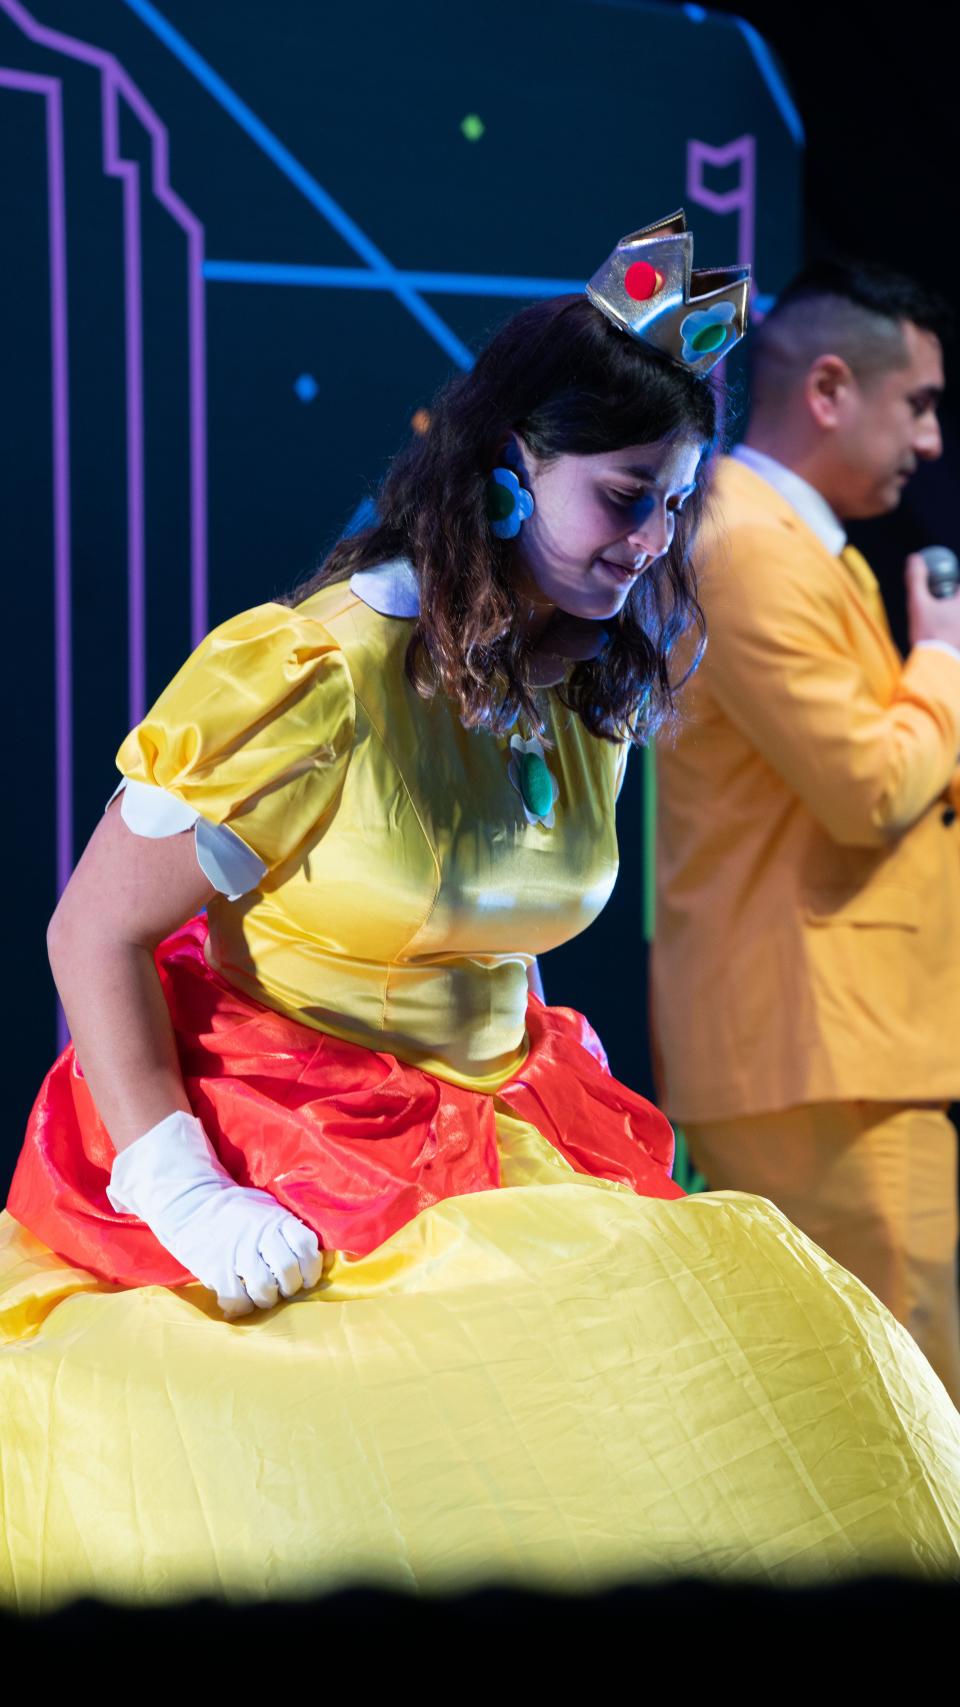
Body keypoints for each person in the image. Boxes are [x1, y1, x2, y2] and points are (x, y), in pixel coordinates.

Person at [2, 219, 959, 1611]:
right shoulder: (317, 670)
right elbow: (91, 931)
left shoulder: (586, 664)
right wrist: (179, 1182)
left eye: (675, 503)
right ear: (511, 467)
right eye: (625, 495)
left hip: (499, 1114)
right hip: (283, 1133)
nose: (651, 542)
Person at [651, 259, 960, 1404]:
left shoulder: (788, 537)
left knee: (870, 1402)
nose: (930, 441)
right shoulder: (750, 540)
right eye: (919, 404)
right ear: (830, 388)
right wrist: (945, 657)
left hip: (832, 1041)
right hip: (815, 1048)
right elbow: (869, 788)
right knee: (899, 1409)